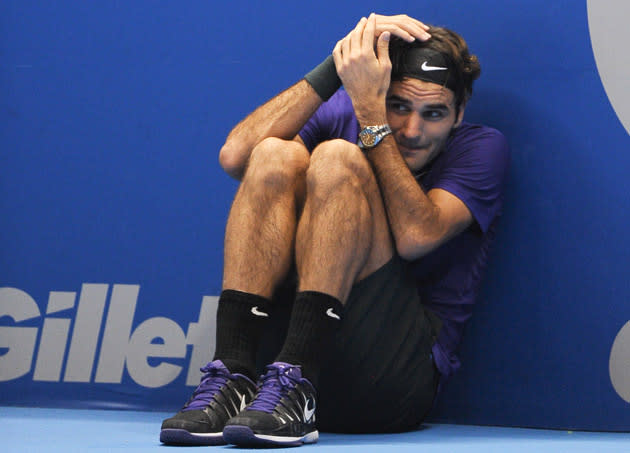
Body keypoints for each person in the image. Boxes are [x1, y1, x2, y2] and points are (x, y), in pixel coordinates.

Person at [160, 13, 509, 448]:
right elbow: (236, 156)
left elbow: (416, 236)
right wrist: (338, 67)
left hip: (388, 384)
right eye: (397, 106)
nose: (412, 130)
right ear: (379, 92)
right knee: (272, 155)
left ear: (458, 114)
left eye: (433, 113)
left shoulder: (481, 148)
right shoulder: (345, 108)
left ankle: (299, 378)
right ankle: (233, 370)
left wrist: (370, 117)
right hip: (269, 393)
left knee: (338, 160)